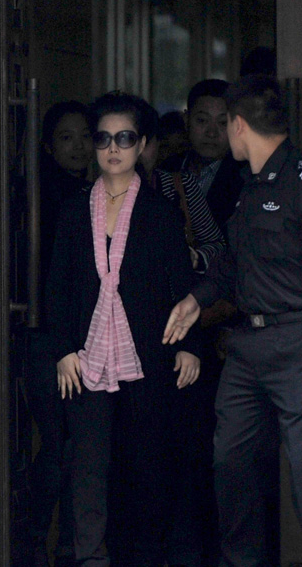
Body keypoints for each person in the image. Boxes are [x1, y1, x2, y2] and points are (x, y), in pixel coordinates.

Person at [163, 75, 302, 567]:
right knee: (230, 462)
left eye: (226, 125)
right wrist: (196, 299)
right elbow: (234, 262)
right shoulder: (250, 186)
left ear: (238, 126)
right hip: (248, 350)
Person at [45, 91, 202, 566]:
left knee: (146, 466)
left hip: (149, 357)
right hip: (85, 359)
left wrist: (190, 346)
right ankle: (91, 559)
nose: (113, 148)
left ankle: (143, 557)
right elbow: (57, 287)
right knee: (88, 468)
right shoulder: (74, 210)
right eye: (103, 138)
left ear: (143, 144)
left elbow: (182, 287)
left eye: (125, 138)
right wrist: (63, 350)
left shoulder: (160, 212)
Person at [25, 101, 94, 567]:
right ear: (48, 147)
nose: (79, 147)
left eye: (86, 136)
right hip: (52, 338)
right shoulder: (49, 198)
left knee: (69, 445)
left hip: (77, 336)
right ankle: (39, 537)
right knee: (63, 445)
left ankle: (51, 540)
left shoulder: (90, 194)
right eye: (66, 138)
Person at [139, 104, 226, 274]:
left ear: (157, 143)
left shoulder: (181, 185)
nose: (136, 151)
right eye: (126, 141)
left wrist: (194, 257)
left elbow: (217, 245)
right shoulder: (91, 197)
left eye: (146, 141)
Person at [160, 79, 245, 234]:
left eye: (223, 123)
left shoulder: (246, 178)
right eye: (202, 120)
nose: (211, 133)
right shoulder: (166, 169)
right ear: (186, 120)